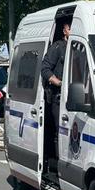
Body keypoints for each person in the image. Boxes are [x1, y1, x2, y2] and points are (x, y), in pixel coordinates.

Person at [40, 19, 70, 174]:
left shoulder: (80, 47)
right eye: (70, 28)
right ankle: (58, 166)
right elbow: (45, 69)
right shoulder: (58, 47)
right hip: (58, 97)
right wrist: (59, 82)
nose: (72, 31)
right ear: (64, 31)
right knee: (61, 131)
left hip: (76, 96)